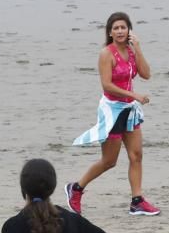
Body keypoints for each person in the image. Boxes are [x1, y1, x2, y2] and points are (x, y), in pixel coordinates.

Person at [67, 11, 159, 217]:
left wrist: (138, 48)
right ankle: (76, 188)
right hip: (112, 110)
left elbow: (146, 74)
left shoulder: (131, 51)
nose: (120, 31)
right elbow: (107, 85)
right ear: (109, 32)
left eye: (123, 27)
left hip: (129, 110)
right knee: (109, 161)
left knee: (136, 156)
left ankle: (137, 201)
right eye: (116, 28)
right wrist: (133, 94)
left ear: (129, 30)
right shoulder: (106, 54)